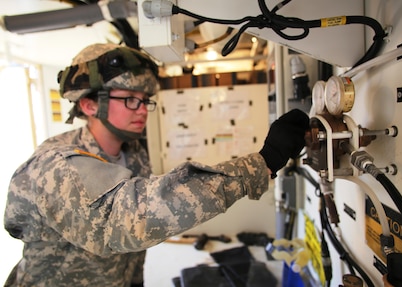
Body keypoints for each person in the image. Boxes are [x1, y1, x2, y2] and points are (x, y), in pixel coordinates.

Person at [3, 43, 309, 286]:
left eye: (145, 100)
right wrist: (263, 162)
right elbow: (131, 216)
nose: (142, 110)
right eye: (130, 100)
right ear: (89, 104)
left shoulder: (133, 152)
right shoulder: (55, 165)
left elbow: (133, 247)